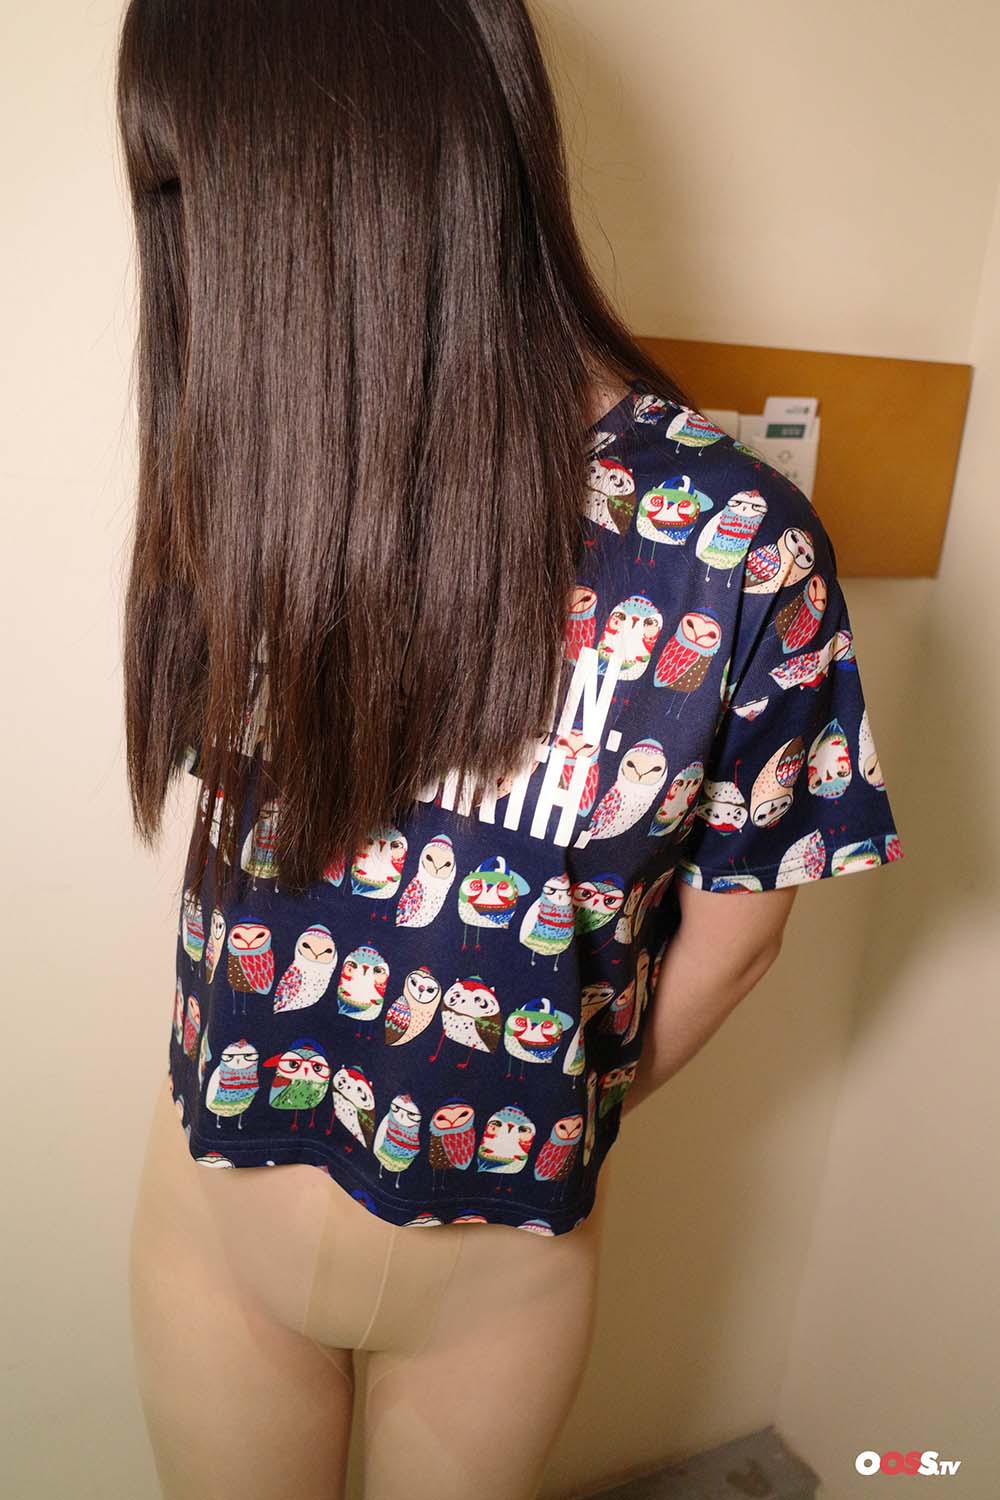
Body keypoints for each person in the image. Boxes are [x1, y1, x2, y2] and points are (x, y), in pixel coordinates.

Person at [116, 3, 904, 1497]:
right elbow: (737, 945)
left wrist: (545, 1096)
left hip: (462, 1266)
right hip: (224, 1191)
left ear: (346, 186)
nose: (188, 247)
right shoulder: (259, 458)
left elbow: (746, 931)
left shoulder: (730, 545)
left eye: (198, 186)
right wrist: (537, 1088)